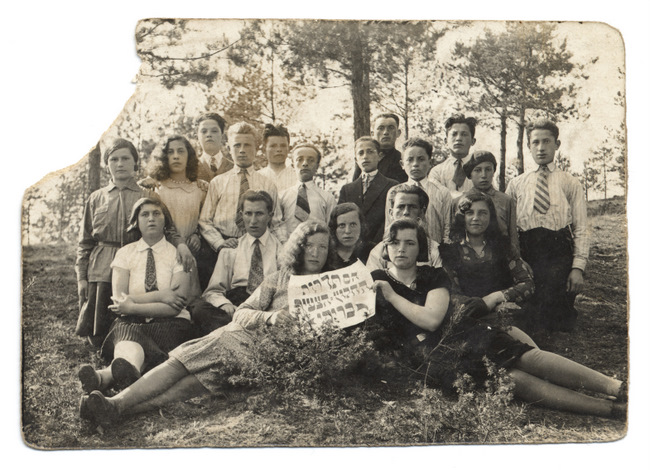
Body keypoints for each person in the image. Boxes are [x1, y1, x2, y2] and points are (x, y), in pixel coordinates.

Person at [79, 221, 333, 425]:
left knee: (185, 389)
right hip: (238, 338)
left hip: (264, 358)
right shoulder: (279, 279)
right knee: (179, 365)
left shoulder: (332, 286)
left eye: (322, 247)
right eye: (310, 245)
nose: (315, 253)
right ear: (299, 247)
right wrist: (270, 317)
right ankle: (114, 404)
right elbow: (242, 313)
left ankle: (114, 409)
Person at [375, 218, 626, 419]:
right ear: (385, 248)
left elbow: (431, 320)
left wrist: (392, 297)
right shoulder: (375, 278)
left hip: (462, 334)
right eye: (394, 243)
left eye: (409, 243)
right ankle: (609, 409)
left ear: (419, 247)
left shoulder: (432, 275)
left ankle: (616, 387)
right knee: (513, 380)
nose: (401, 249)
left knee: (526, 357)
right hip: (433, 356)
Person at [75, 139, 193, 346]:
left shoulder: (147, 194)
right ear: (107, 164)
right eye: (114, 159)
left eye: (125, 158)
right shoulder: (96, 198)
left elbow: (169, 228)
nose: (120, 164)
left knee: (135, 316)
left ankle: (134, 342)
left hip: (138, 260)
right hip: (101, 266)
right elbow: (85, 242)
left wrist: (182, 245)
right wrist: (81, 277)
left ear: (135, 163)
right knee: (98, 334)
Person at [78, 198, 197, 394]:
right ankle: (125, 372)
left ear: (165, 220)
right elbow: (119, 299)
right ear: (136, 222)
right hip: (131, 321)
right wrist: (162, 295)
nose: (151, 218)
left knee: (143, 341)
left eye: (156, 214)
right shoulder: (125, 253)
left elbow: (175, 305)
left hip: (171, 323)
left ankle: (103, 377)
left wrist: (132, 305)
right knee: (128, 339)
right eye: (144, 214)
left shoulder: (178, 254)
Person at [506, 119, 589, 332]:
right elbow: (508, 228)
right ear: (529, 146)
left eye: (547, 141)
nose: (541, 148)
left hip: (558, 253)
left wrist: (577, 268)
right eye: (535, 142)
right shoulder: (516, 184)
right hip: (527, 252)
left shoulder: (570, 182)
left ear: (557, 144)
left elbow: (581, 228)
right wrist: (516, 259)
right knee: (527, 316)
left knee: (557, 320)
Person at [198, 122, 283, 282]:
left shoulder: (267, 184)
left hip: (256, 247)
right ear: (229, 149)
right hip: (224, 246)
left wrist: (283, 249)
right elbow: (204, 220)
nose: (242, 150)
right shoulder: (218, 182)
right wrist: (220, 242)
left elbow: (277, 223)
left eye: (247, 145)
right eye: (237, 145)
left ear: (256, 149)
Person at [189, 190, 282, 336]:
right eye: (248, 214)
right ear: (241, 215)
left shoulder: (281, 249)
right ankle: (244, 332)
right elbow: (213, 291)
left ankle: (236, 333)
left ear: (270, 216)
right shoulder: (231, 249)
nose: (253, 221)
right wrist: (224, 303)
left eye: (259, 214)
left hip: (266, 306)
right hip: (235, 306)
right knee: (199, 309)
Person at [390, 137, 452, 244]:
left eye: (421, 159)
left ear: (430, 162)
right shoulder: (395, 193)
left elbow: (448, 229)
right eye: (410, 159)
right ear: (402, 164)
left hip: (434, 249)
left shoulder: (442, 192)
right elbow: (389, 227)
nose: (415, 164)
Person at [366, 184, 442, 271]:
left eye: (412, 207)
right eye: (401, 207)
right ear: (391, 213)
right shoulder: (378, 252)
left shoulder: (434, 250)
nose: (406, 212)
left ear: (422, 212)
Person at [459, 150, 520, 257]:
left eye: (488, 169)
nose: (483, 175)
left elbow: (513, 237)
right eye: (477, 170)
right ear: (470, 174)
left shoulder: (506, 200)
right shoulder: (460, 201)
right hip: (468, 258)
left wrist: (516, 258)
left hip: (500, 257)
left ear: (493, 172)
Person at [338, 137, 399, 243]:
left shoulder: (392, 186)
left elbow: (392, 219)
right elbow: (341, 220)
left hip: (380, 244)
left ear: (379, 156)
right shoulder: (347, 190)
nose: (365, 156)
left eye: (370, 152)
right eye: (360, 153)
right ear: (356, 159)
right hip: (353, 245)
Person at [279, 143, 336, 239]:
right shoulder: (282, 197)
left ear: (317, 166)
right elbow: (278, 226)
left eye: (311, 160)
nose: (305, 163)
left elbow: (331, 229)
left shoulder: (327, 198)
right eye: (299, 159)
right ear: (292, 165)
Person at [428, 114, 478, 198]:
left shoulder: (481, 170)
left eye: (464, 134)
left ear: (473, 141)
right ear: (446, 141)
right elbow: (435, 198)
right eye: (454, 134)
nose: (458, 138)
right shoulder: (437, 172)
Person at [352, 113, 408, 183]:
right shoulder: (364, 159)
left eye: (391, 128)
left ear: (398, 133)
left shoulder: (403, 161)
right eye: (381, 128)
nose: (386, 132)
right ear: (372, 134)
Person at [327, 202, 375, 269]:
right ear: (334, 228)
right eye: (342, 225)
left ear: (361, 226)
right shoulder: (326, 253)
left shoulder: (373, 251)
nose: (347, 231)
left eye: (353, 225)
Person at [257, 123, 297, 194]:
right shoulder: (257, 178)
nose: (279, 149)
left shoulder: (297, 177)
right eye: (273, 146)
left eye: (283, 146)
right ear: (264, 149)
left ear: (289, 149)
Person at [195, 112, 233, 182]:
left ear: (222, 136)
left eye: (214, 131)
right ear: (197, 137)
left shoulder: (234, 168)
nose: (209, 134)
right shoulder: (190, 168)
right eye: (204, 131)